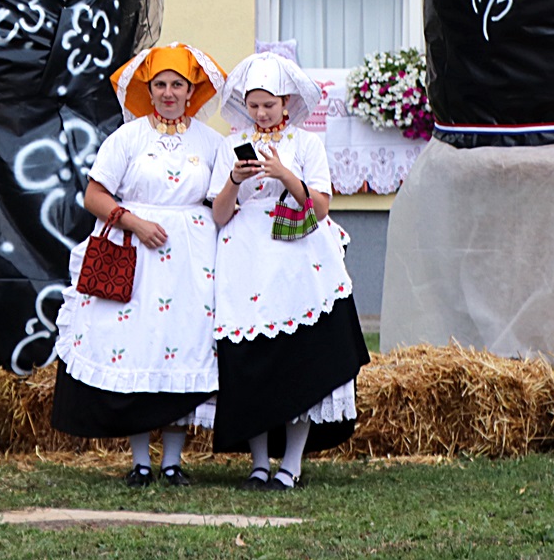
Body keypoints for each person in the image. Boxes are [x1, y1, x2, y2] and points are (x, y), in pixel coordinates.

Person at [51, 43, 226, 487]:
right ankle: (140, 462)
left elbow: (222, 201)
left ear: (192, 91)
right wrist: (135, 222)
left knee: (182, 346)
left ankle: (171, 461)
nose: (168, 92)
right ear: (149, 90)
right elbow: (94, 196)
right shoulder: (126, 138)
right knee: (134, 347)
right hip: (135, 255)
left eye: (177, 85)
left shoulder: (210, 143)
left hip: (191, 261)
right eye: (160, 84)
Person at [209, 52, 370, 490]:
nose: (261, 113)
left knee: (298, 358)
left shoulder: (306, 144)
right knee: (252, 360)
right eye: (254, 104)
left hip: (299, 257)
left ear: (286, 103)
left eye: (269, 104)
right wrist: (235, 180)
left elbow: (320, 206)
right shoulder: (231, 145)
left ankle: (291, 465)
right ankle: (259, 463)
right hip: (246, 258)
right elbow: (220, 214)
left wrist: (284, 173)